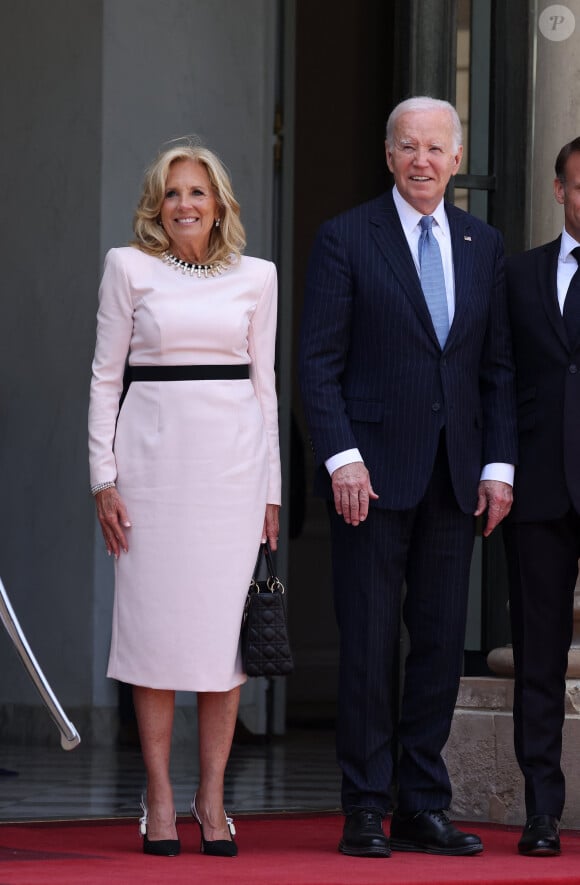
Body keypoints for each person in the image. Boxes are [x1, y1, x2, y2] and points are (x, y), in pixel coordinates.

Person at [299, 96, 517, 858]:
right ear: (388, 156)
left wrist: (498, 465)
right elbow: (317, 364)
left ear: (457, 159)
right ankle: (364, 804)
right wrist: (341, 456)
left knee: (437, 643)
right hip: (372, 476)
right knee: (365, 642)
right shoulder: (345, 238)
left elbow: (495, 368)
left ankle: (422, 801)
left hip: (456, 476)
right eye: (408, 147)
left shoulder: (481, 243)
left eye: (436, 148)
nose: (422, 160)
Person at [88, 142, 281, 857]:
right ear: (155, 205)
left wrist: (272, 488)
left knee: (218, 642)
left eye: (197, 192)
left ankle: (212, 794)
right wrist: (101, 477)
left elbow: (266, 387)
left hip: (232, 475)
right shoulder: (127, 267)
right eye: (172, 193)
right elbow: (105, 378)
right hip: (149, 474)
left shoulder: (257, 277)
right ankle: (161, 796)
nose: (185, 205)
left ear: (220, 202)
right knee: (154, 635)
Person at [503, 137, 580, 857]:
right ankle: (541, 813)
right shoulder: (520, 276)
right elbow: (500, 378)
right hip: (538, 493)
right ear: (560, 190)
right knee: (538, 659)